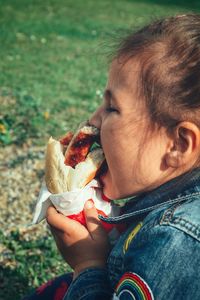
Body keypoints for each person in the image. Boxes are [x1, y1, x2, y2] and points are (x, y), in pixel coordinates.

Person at [23, 14, 200, 300]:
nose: (93, 119)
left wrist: (87, 265)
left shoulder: (176, 242)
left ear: (178, 145)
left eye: (112, 108)